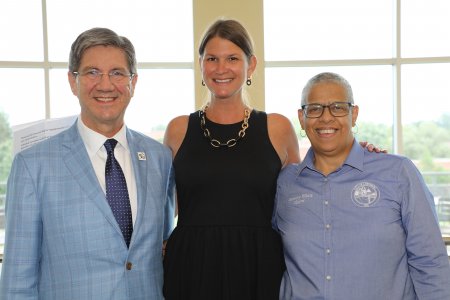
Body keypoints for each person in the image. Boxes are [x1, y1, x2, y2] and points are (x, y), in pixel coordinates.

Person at [0, 27, 175, 299]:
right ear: (73, 81)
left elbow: (162, 248)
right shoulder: (33, 167)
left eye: (117, 73)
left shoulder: (159, 158)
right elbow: (17, 284)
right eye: (92, 72)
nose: (105, 85)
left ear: (133, 82)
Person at [273, 72, 450, 300]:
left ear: (353, 114)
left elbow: (431, 262)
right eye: (315, 108)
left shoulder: (397, 173)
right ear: (302, 117)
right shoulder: (285, 184)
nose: (326, 118)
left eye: (337, 107)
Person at [162, 18, 300, 300]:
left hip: (259, 264)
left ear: (251, 65)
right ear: (200, 65)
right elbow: (164, 207)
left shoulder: (278, 128)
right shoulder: (178, 129)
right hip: (191, 265)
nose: (221, 68)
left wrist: (358, 151)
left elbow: (302, 201)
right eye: (212, 58)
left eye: (232, 58)